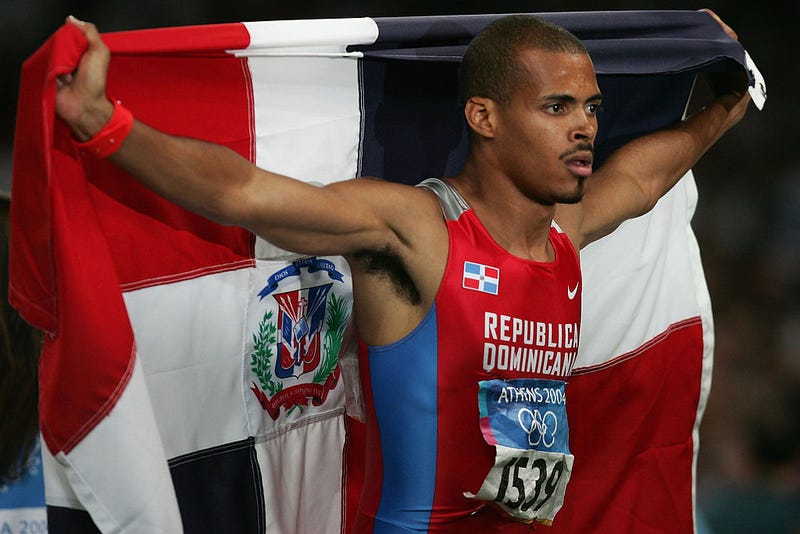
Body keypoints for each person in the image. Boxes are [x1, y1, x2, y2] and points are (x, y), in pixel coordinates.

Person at [55, 11, 750, 532]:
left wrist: (729, 98)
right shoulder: (418, 230)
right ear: (484, 116)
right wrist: (103, 123)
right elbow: (243, 192)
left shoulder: (565, 233)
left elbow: (645, 177)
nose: (586, 128)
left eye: (592, 108)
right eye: (557, 107)